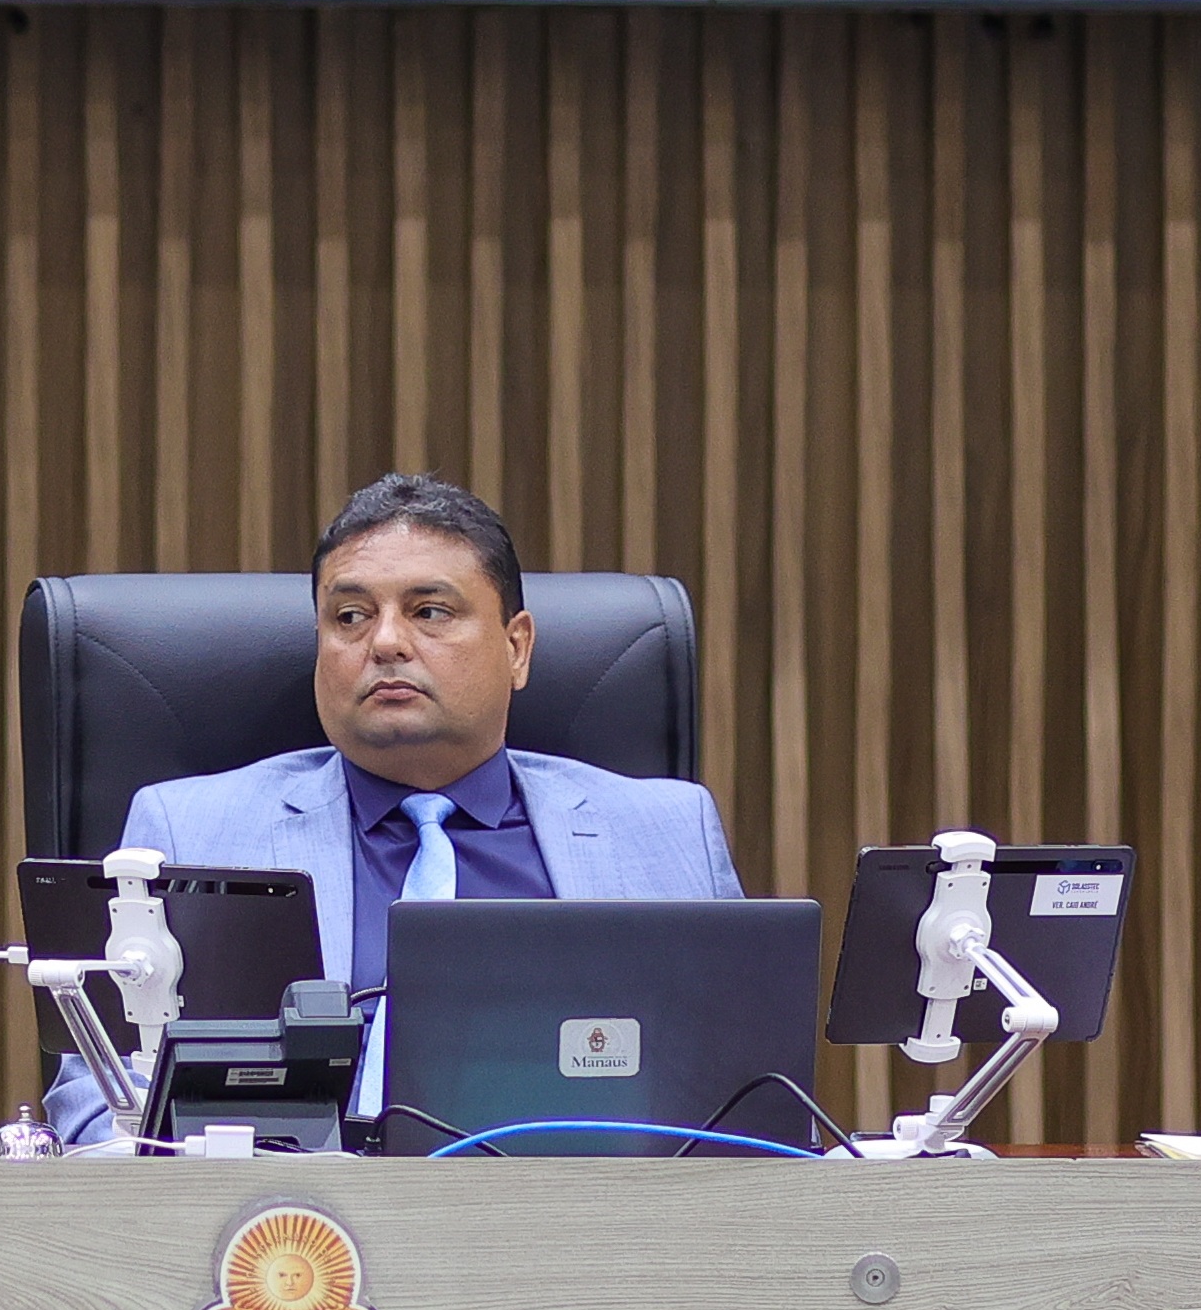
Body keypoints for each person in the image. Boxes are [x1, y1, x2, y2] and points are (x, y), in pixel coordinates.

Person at [45, 472, 742, 1142]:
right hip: (294, 1215)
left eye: (429, 612)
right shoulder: (189, 832)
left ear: (517, 647)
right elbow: (94, 1103)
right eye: (349, 617)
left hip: (583, 1209)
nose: (384, 642)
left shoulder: (666, 832)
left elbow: (747, 1095)